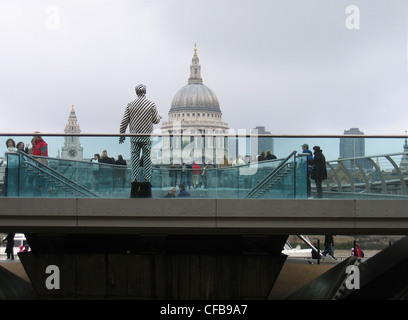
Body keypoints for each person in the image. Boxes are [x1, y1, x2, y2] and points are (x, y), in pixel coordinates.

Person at [119, 84, 161, 184]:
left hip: (134, 136)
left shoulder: (130, 104)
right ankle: (147, 180)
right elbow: (156, 120)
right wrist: (159, 117)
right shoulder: (151, 104)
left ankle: (135, 180)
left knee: (134, 158)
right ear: (145, 91)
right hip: (147, 137)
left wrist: (122, 134)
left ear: (136, 92)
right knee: (147, 158)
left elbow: (124, 121)